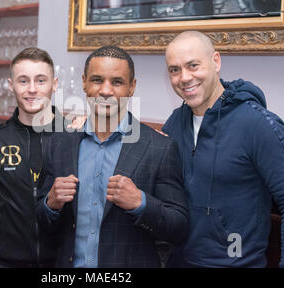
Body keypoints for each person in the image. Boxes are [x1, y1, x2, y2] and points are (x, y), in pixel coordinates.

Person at [162, 30, 284, 267]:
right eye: (174, 70)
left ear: (216, 61)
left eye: (193, 65)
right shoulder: (174, 123)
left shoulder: (258, 124)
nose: (184, 77)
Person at [36, 45, 189, 268]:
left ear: (131, 87)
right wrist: (51, 204)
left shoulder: (159, 147)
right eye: (97, 80)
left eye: (117, 82)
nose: (106, 91)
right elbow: (42, 221)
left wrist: (141, 203)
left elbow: (179, 227)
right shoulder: (59, 144)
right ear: (84, 83)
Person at [0, 47, 65, 268]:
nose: (32, 90)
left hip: (61, 264)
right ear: (11, 85)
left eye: (41, 81)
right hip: (6, 262)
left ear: (54, 83)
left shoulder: (74, 137)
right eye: (23, 81)